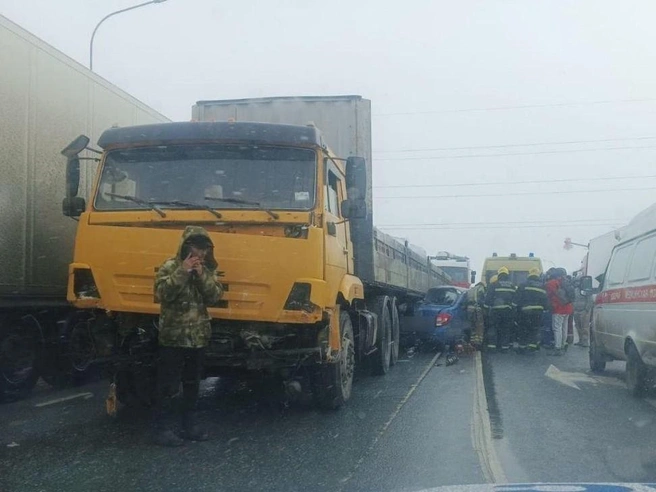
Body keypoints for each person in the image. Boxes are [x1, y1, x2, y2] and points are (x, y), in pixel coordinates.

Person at [152, 226, 223, 447]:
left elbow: (215, 297)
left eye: (204, 248)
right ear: (185, 246)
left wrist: (202, 276)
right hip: (172, 338)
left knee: (192, 384)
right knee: (167, 385)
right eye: (196, 247)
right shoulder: (169, 266)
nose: (200, 253)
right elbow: (161, 294)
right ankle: (161, 429)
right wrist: (183, 271)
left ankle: (189, 425)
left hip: (198, 338)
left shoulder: (208, 270)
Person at [514, 268, 549, 352]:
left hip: (525, 311)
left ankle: (522, 347)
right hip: (538, 312)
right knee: (534, 329)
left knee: (523, 329)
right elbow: (545, 300)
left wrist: (515, 308)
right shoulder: (542, 286)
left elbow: (517, 298)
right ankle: (532, 346)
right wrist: (546, 308)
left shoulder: (523, 285)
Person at [484, 267, 516, 351]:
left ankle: (492, 347)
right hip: (508, 312)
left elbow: (488, 298)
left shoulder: (494, 284)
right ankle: (504, 347)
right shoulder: (512, 286)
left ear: (499, 275)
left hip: (496, 311)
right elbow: (515, 299)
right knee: (505, 328)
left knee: (493, 327)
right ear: (507, 275)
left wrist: (486, 309)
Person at [545, 267, 574, 356]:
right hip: (568, 307)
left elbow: (548, 295)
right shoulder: (566, 282)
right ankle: (562, 344)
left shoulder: (551, 283)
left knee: (557, 328)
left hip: (558, 308)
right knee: (564, 327)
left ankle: (557, 347)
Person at [573, 276, 593, 347]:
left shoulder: (586, 290)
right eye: (576, 281)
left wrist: (586, 310)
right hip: (576, 311)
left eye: (578, 281)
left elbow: (590, 300)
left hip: (584, 311)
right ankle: (580, 340)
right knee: (578, 326)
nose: (577, 283)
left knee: (585, 327)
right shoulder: (574, 290)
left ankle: (585, 341)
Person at [466, 281, 486, 348]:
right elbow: (481, 299)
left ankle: (471, 342)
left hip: (469, 310)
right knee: (479, 327)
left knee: (472, 326)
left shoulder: (471, 290)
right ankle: (478, 343)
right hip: (477, 310)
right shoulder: (481, 288)